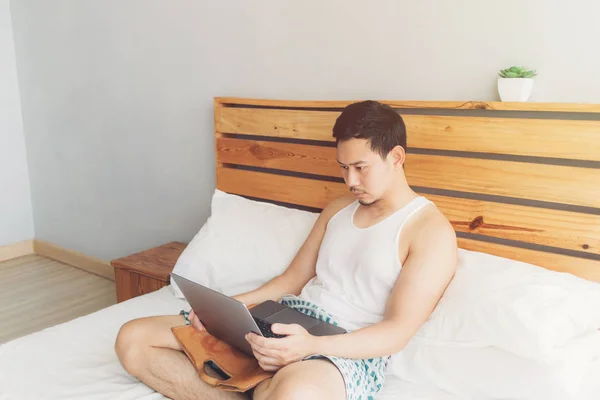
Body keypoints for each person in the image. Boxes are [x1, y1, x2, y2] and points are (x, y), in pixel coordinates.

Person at [114, 100, 458, 400]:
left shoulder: (429, 231)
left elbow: (397, 331)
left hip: (341, 350)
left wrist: (310, 345)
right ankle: (254, 383)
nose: (350, 181)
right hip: (283, 320)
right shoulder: (338, 209)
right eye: (343, 168)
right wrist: (226, 310)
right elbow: (289, 281)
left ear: (396, 157)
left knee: (295, 394)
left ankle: (257, 383)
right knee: (134, 339)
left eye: (360, 168)